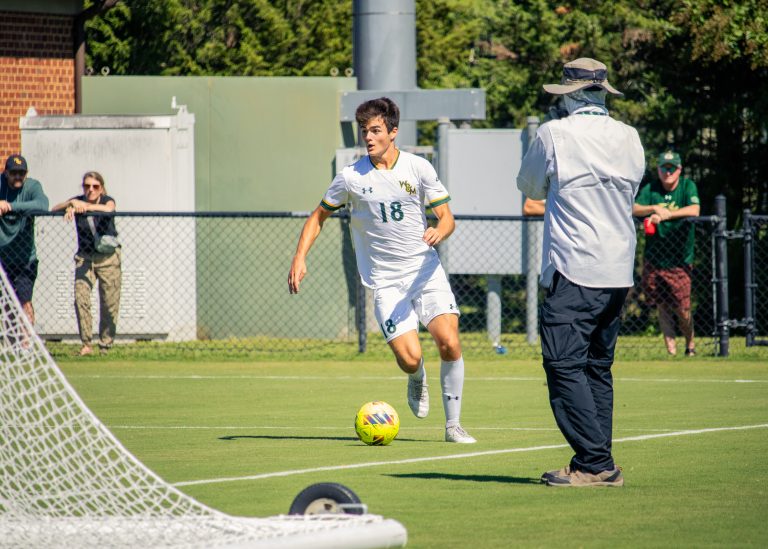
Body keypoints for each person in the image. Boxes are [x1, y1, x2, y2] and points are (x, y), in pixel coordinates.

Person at [288, 97, 476, 444]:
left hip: (425, 272)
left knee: (449, 342)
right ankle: (416, 377)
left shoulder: (418, 168)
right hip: (386, 283)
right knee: (409, 358)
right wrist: (300, 257)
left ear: (393, 132)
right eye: (365, 131)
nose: (369, 137)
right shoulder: (350, 178)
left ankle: (453, 425)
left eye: (375, 130)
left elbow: (447, 217)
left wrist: (440, 230)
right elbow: (318, 217)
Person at [517, 58, 645, 486]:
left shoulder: (554, 133)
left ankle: (596, 463)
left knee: (562, 364)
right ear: (603, 93)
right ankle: (594, 460)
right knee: (596, 368)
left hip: (575, 266)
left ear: (569, 96)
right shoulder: (630, 137)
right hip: (619, 269)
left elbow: (530, 188)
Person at [633, 151, 700, 356]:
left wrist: (667, 214)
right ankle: (671, 350)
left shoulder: (687, 186)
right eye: (664, 168)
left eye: (672, 168)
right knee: (662, 304)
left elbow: (694, 209)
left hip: (679, 259)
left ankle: (690, 346)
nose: (668, 172)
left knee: (682, 307)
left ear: (679, 170)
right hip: (655, 258)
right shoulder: (651, 188)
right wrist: (653, 209)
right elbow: (634, 208)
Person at [51, 171, 122, 356]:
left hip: (108, 258)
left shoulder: (107, 199)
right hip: (85, 257)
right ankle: (86, 344)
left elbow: (109, 209)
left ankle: (105, 345)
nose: (90, 189)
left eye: (95, 186)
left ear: (101, 187)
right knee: (80, 297)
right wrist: (71, 204)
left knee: (109, 303)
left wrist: (86, 207)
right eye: (87, 186)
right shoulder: (78, 201)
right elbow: (53, 209)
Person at [0, 154, 49, 326]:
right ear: (6, 173)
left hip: (25, 259)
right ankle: (12, 342)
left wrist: (10, 206)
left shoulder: (32, 186)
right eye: (14, 173)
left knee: (25, 300)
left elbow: (43, 205)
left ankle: (27, 342)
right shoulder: (0, 184)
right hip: (2, 258)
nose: (18, 177)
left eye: (21, 173)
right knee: (6, 303)